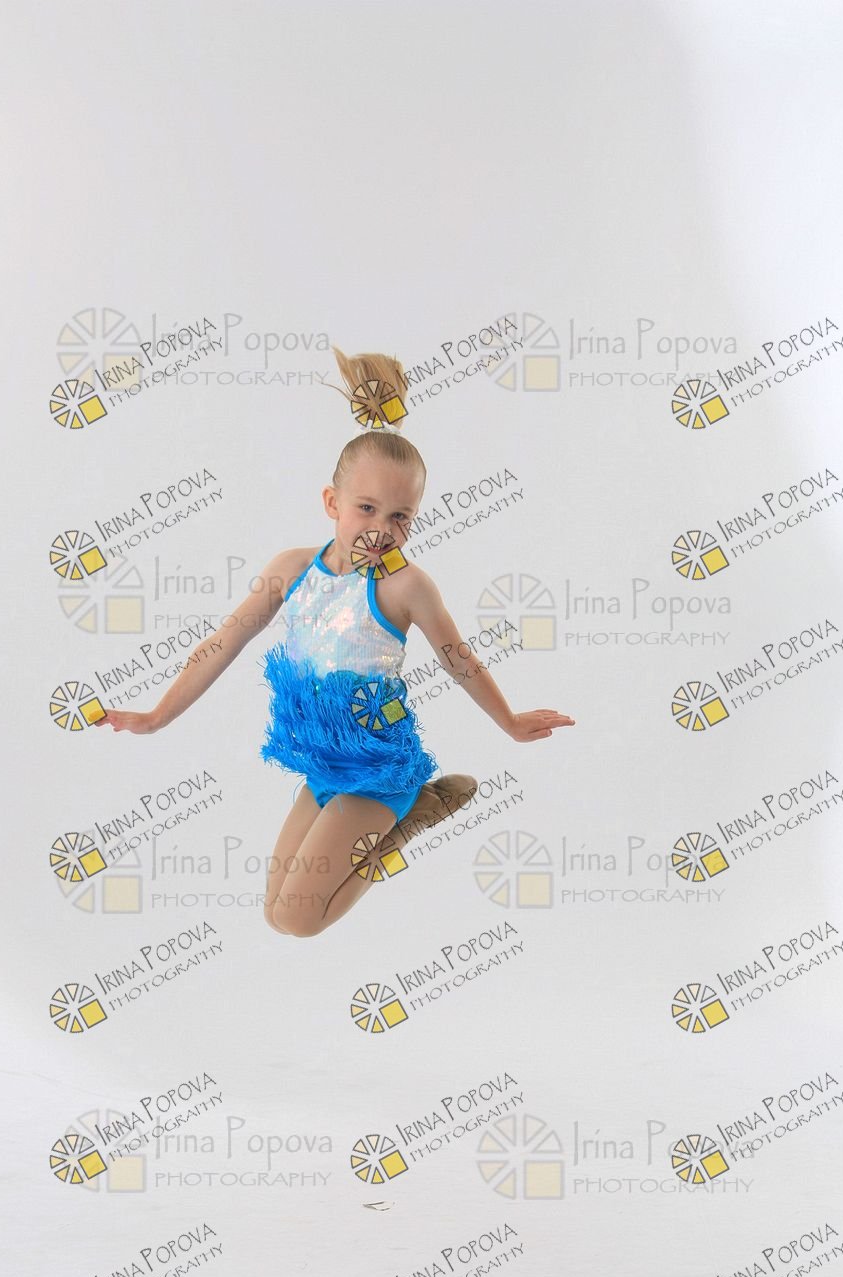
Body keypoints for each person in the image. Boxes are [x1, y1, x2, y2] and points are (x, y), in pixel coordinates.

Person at [97, 347, 575, 937]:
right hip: (321, 763)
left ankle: (411, 815)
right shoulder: (293, 568)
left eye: (400, 517)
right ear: (332, 503)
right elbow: (224, 642)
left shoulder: (406, 587)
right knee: (273, 914)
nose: (381, 529)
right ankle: (384, 821)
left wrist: (509, 721)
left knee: (299, 920)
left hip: (376, 771)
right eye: (366, 508)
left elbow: (460, 661)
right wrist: (155, 717)